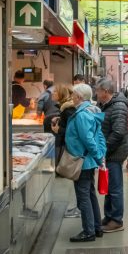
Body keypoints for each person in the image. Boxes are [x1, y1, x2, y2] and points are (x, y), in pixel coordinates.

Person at [64, 83, 106, 242]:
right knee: (89, 194)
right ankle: (96, 227)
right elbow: (99, 136)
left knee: (83, 197)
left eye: (73, 95)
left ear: (79, 97)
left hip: (82, 161)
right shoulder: (92, 111)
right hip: (88, 161)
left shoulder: (82, 115)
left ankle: (89, 231)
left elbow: (88, 139)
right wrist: (100, 155)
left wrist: (98, 156)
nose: (72, 98)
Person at [95, 78, 128, 232]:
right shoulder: (104, 105)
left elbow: (119, 131)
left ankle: (116, 219)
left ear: (106, 92)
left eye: (98, 91)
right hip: (108, 151)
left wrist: (104, 148)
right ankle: (109, 216)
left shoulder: (118, 106)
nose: (96, 93)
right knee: (108, 186)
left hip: (114, 153)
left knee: (115, 187)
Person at [47, 84, 82, 218]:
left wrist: (58, 130)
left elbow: (73, 130)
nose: (53, 93)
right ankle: (79, 207)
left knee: (80, 183)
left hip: (75, 150)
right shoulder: (65, 109)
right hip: (73, 149)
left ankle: (80, 209)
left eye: (55, 91)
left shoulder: (68, 110)